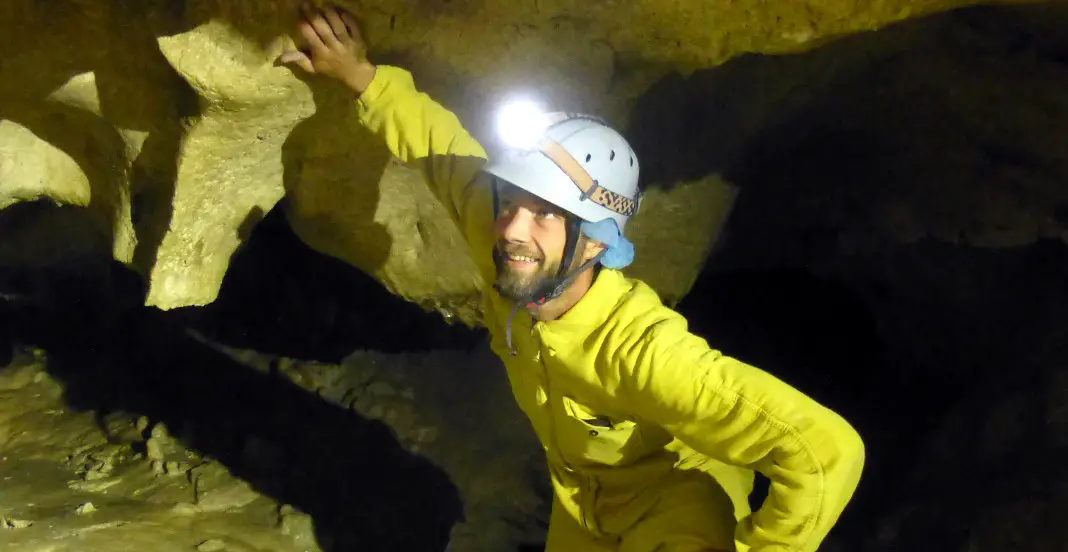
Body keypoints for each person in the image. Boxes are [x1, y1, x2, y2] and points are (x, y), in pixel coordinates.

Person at [279, 4, 865, 551]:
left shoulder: (642, 352)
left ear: (595, 240)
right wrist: (361, 75)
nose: (512, 227)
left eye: (546, 213)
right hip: (579, 497)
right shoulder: (507, 241)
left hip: (673, 502)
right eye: (512, 199)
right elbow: (440, 149)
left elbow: (824, 453)